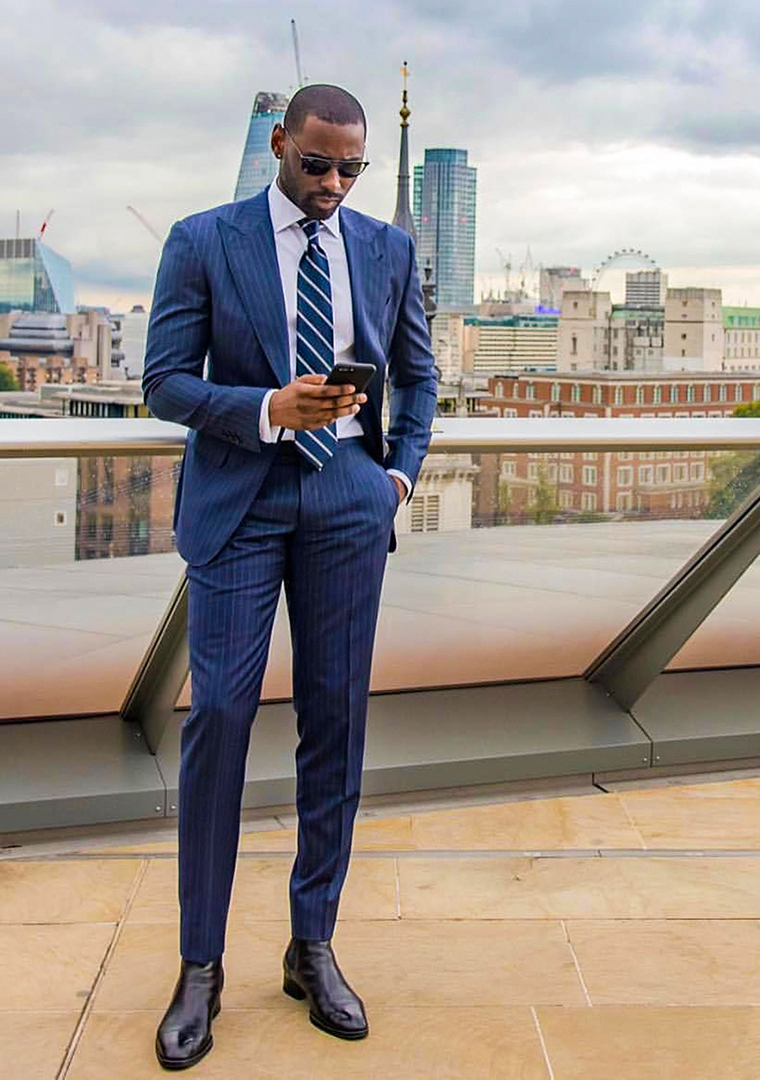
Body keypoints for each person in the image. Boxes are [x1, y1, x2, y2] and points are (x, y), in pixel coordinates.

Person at [142, 83, 437, 1070]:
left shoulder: (387, 248)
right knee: (219, 715)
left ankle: (311, 947)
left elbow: (420, 374)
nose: (333, 184)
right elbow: (163, 382)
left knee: (336, 717)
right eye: (317, 165)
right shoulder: (202, 238)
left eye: (350, 170)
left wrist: (396, 476)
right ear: (280, 144)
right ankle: (200, 966)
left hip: (350, 500)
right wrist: (267, 407)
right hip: (240, 499)